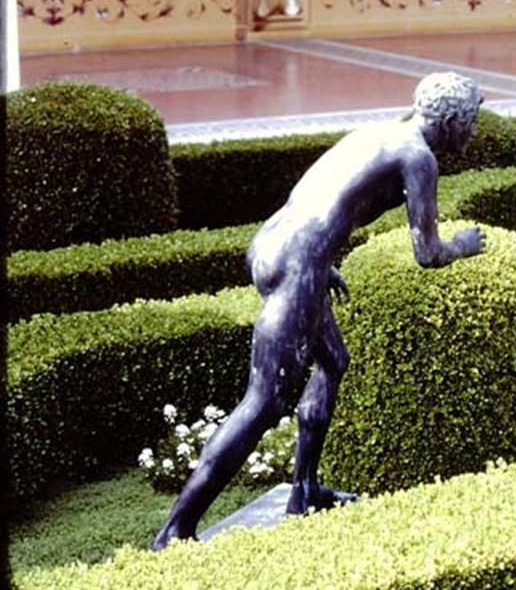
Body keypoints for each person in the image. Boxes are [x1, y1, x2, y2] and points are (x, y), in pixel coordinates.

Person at [153, 72, 487, 550]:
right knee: (263, 403)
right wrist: (465, 246)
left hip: (276, 244)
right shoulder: (418, 156)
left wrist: (317, 265)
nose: (473, 132)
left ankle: (303, 491)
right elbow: (429, 253)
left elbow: (324, 199)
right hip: (299, 262)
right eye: (471, 121)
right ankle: (175, 530)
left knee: (333, 362)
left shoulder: (381, 132)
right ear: (452, 119)